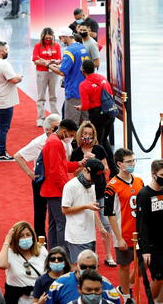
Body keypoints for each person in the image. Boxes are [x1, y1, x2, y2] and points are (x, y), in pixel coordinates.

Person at [70, 121, 114, 261]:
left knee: (106, 224)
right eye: (85, 134)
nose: (87, 137)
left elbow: (106, 169)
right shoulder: (76, 151)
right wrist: (82, 162)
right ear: (80, 134)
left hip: (100, 190)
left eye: (90, 134)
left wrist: (97, 162)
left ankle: (108, 255)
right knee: (86, 224)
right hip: (83, 192)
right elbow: (74, 173)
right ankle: (88, 256)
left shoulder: (99, 149)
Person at [13, 114, 62, 238]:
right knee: (40, 212)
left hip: (57, 179)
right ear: (47, 129)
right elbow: (18, 156)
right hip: (41, 179)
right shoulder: (38, 142)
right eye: (56, 127)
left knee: (56, 211)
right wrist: (31, 174)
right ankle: (41, 241)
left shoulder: (62, 139)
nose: (60, 130)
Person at [104, 148, 144, 302]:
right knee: (125, 265)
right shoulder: (112, 186)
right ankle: (126, 295)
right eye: (129, 161)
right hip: (124, 231)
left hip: (140, 230)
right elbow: (110, 213)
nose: (132, 164)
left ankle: (128, 284)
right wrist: (118, 237)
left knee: (144, 263)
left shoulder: (139, 181)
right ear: (119, 164)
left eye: (133, 160)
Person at [41, 119, 83, 249]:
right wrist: (66, 189)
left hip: (52, 189)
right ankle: (61, 254)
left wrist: (79, 163)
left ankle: (53, 252)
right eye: (71, 135)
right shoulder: (55, 143)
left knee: (54, 224)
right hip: (57, 190)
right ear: (64, 131)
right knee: (61, 224)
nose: (70, 138)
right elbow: (55, 170)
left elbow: (61, 166)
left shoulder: (53, 140)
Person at [0, 221, 48, 304]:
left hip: (39, 299)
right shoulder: (9, 253)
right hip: (16, 299)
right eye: (21, 236)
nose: (25, 238)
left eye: (28, 235)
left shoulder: (42, 250)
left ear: (33, 236)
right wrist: (7, 241)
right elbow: (1, 264)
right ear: (15, 238)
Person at [0, 41, 22, 161]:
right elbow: (13, 79)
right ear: (2, 51)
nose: (7, 52)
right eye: (6, 50)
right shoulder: (3, 64)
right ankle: (1, 152)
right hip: (3, 101)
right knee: (3, 128)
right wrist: (20, 77)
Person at [78, 59, 115, 174]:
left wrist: (80, 107)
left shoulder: (84, 85)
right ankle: (113, 168)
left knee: (99, 142)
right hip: (109, 113)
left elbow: (85, 105)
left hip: (97, 116)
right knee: (104, 140)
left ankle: (100, 169)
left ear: (83, 71)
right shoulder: (103, 78)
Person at [47, 28, 91, 124]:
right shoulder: (82, 47)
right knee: (85, 123)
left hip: (73, 90)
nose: (62, 41)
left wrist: (49, 65)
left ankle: (73, 139)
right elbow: (76, 65)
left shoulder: (69, 51)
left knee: (71, 124)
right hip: (84, 90)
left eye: (61, 38)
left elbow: (62, 72)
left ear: (66, 37)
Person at [46, 250, 120, 304]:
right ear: (76, 265)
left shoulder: (107, 286)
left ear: (97, 267)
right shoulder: (59, 284)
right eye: (83, 267)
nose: (87, 270)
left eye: (91, 267)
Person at [136, 159, 163, 303]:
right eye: (162, 174)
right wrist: (145, 249)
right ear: (153, 174)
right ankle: (152, 301)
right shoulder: (145, 194)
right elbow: (142, 224)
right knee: (158, 277)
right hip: (152, 245)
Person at [32, 28, 62, 127]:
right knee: (41, 96)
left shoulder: (56, 45)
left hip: (53, 71)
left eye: (50, 38)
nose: (48, 40)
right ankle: (41, 118)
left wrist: (55, 62)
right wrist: (45, 62)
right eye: (46, 39)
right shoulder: (38, 46)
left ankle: (55, 116)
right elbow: (35, 60)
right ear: (43, 37)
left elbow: (59, 58)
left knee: (53, 95)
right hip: (42, 72)